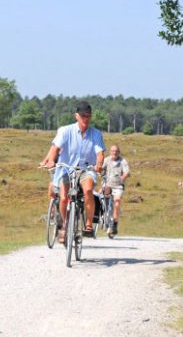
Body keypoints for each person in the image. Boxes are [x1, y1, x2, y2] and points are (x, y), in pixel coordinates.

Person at [40, 101, 105, 243]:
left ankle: (88, 225)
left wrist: (99, 164)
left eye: (88, 116)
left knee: (88, 190)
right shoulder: (65, 130)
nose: (85, 119)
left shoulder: (96, 134)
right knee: (63, 198)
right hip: (66, 169)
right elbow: (55, 148)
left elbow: (100, 153)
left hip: (86, 169)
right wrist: (51, 160)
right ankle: (64, 224)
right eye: (82, 116)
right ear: (76, 116)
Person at [100, 144, 130, 236]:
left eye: (116, 151)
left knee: (117, 202)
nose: (114, 153)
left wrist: (123, 178)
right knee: (105, 204)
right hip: (108, 185)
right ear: (110, 152)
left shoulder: (122, 161)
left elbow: (127, 172)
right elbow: (101, 169)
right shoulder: (107, 160)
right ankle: (105, 220)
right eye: (113, 151)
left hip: (118, 186)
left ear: (119, 152)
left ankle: (114, 225)